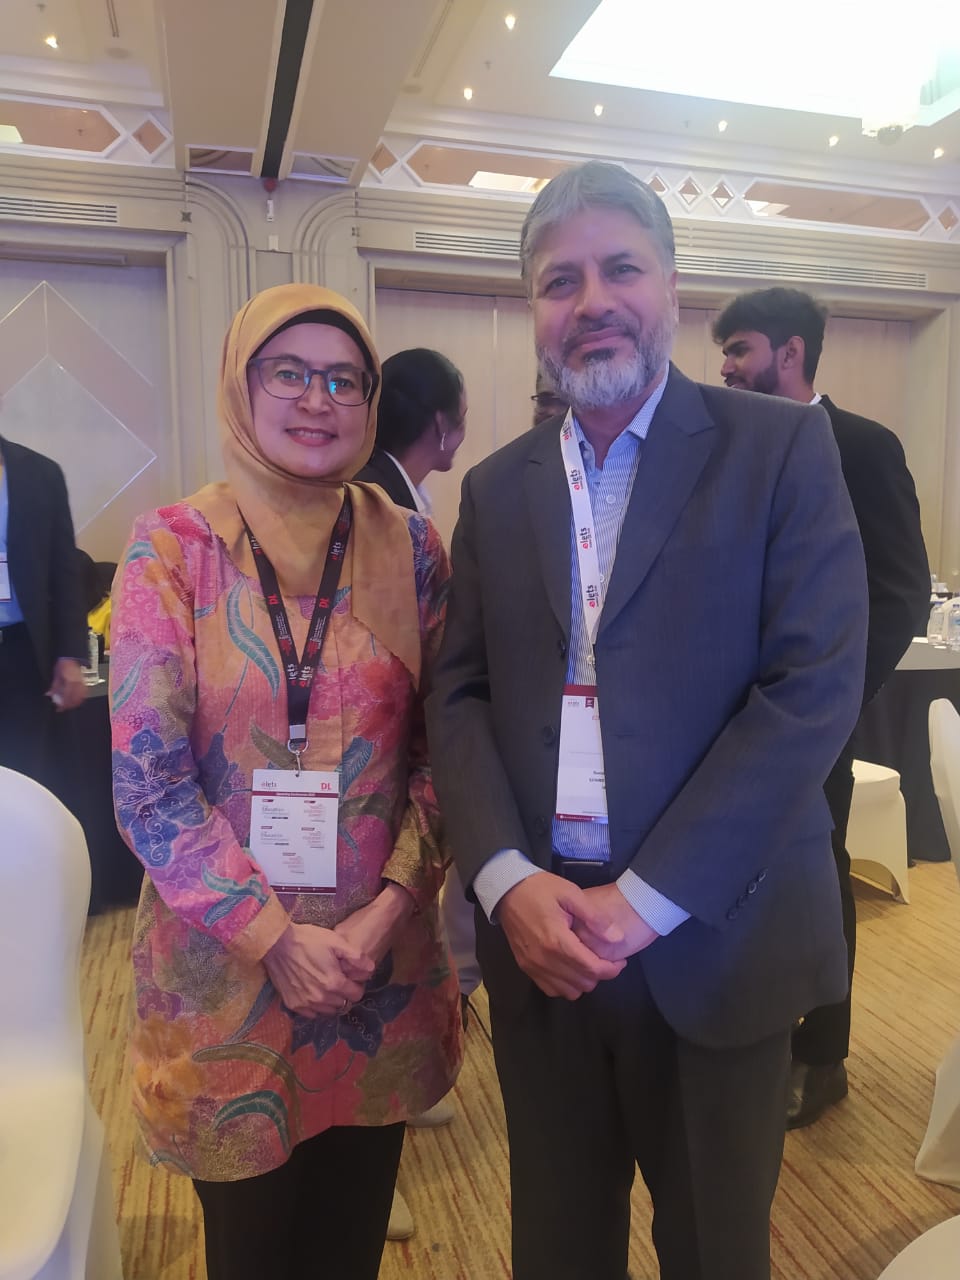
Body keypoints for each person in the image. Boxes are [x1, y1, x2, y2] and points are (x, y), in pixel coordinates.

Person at [426, 160, 869, 1280]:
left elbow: (810, 686)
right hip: (543, 942)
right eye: (558, 281)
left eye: (620, 268)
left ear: (672, 285)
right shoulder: (498, 488)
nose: (592, 302)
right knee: (558, 1248)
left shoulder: (778, 449)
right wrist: (504, 880)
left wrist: (646, 898)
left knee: (715, 1252)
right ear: (533, 308)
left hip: (716, 936)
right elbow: (459, 690)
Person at [110, 284, 463, 1280]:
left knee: (349, 1241)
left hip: (376, 968)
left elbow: (446, 751)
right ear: (241, 384)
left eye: (345, 381)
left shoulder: (410, 546)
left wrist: (387, 912)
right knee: (254, 1250)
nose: (318, 400)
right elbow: (149, 784)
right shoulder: (173, 547)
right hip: (227, 976)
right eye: (290, 373)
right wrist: (275, 938)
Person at [713, 286, 930, 1127]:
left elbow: (901, 591)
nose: (726, 368)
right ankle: (748, 1029)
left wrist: (836, 696)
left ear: (791, 352)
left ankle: (823, 1054)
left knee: (815, 870)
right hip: (726, 710)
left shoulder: (863, 448)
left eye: (739, 350)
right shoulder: (725, 447)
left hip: (817, 716)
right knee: (732, 867)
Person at [353, 345, 473, 1238]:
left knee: (399, 945)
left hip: (412, 779)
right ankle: (363, 1152)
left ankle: (396, 1102)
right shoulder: (374, 507)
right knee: (362, 960)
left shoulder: (407, 504)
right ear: (441, 423)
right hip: (367, 782)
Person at [0, 433, 87, 782]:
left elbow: (64, 571)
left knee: (24, 776)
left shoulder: (39, 472)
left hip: (22, 652)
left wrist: (70, 655)